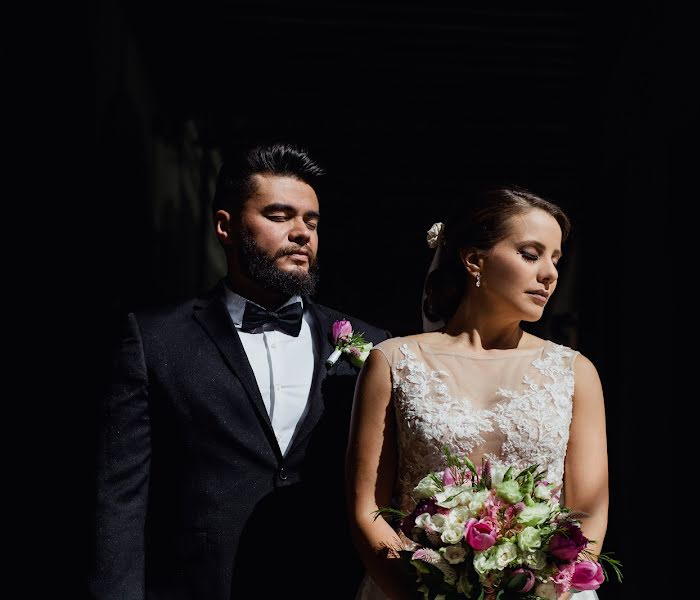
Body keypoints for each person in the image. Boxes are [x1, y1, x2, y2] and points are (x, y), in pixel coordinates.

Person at [90, 141, 391, 599]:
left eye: (311, 221)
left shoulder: (374, 346)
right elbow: (120, 499)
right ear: (225, 227)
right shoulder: (155, 340)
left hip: (329, 583)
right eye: (279, 216)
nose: (301, 233)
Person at [346, 186, 609, 600]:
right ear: (474, 260)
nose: (550, 273)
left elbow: (589, 514)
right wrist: (422, 593)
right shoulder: (394, 362)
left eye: (555, 259)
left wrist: (544, 587)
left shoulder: (574, 372)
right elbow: (367, 508)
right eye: (530, 253)